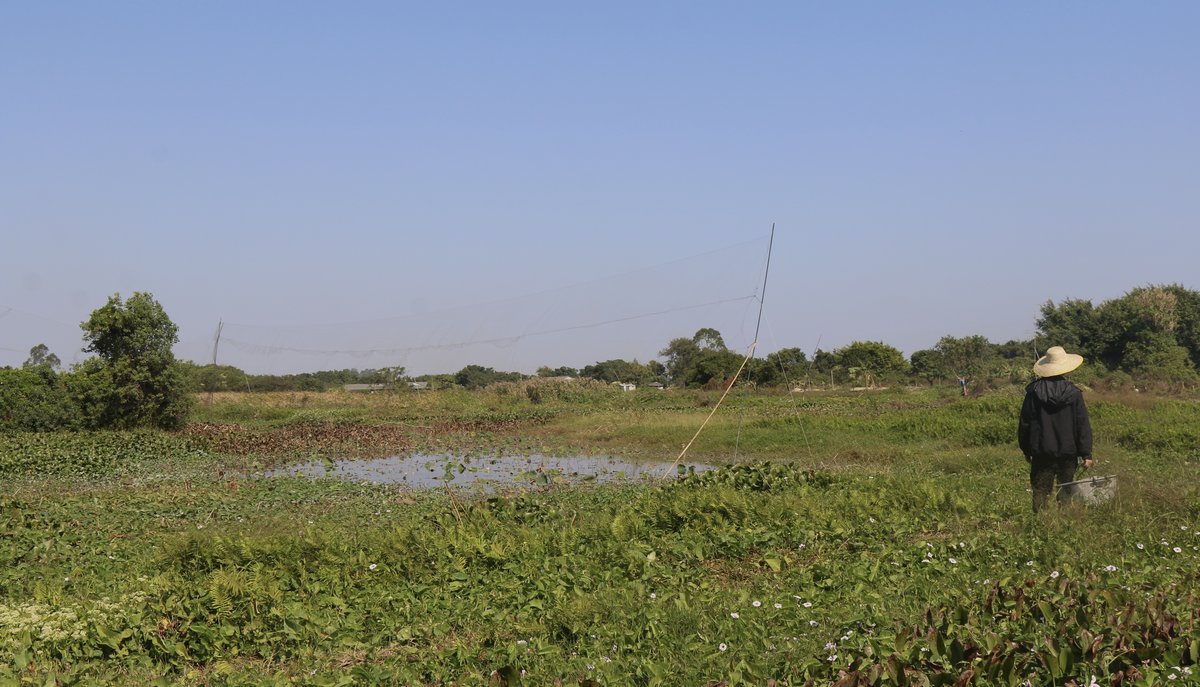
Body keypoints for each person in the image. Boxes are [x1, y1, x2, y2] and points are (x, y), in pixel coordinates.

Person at [1018, 346, 1094, 512]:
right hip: (1068, 452)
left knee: (1040, 490)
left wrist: (1026, 450)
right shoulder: (1074, 393)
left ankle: (1040, 524)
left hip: (1041, 450)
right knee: (1065, 489)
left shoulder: (1033, 392)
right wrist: (1086, 453)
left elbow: (1025, 423)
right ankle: (1064, 524)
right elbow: (1082, 423)